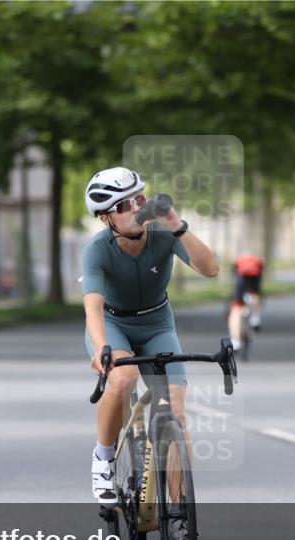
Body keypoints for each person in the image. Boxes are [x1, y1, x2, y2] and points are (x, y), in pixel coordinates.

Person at [81, 167, 219, 505]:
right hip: (114, 324)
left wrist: (176, 224)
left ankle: (180, 515)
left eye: (139, 199)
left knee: (175, 412)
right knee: (124, 377)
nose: (136, 208)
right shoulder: (97, 250)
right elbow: (93, 309)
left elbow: (211, 269)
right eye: (123, 206)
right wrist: (102, 348)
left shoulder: (163, 233)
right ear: (106, 218)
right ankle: (103, 458)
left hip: (157, 324)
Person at [227, 253, 264, 351]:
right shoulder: (257, 262)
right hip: (255, 281)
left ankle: (235, 340)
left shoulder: (239, 263)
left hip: (241, 282)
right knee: (256, 295)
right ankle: (255, 318)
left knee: (236, 310)